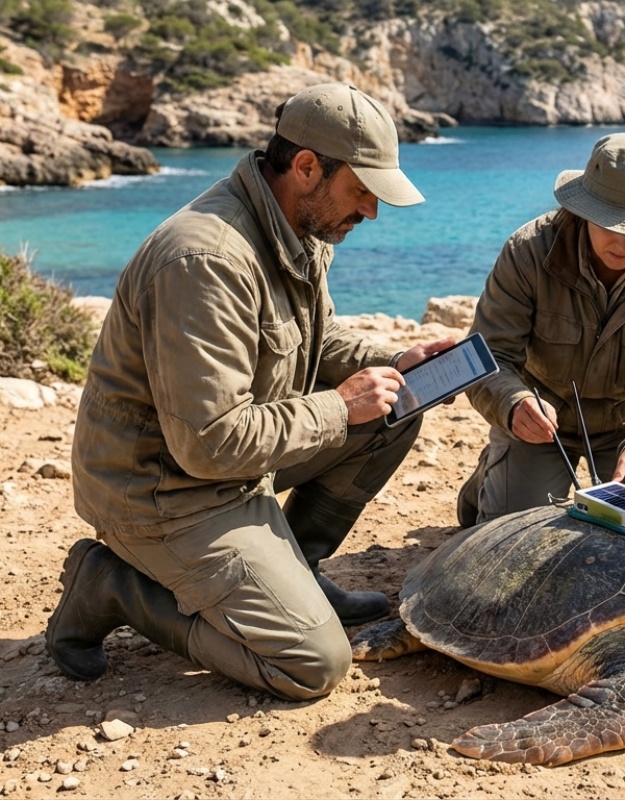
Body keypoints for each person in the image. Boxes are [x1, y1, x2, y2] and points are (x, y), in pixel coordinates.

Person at [46, 83, 457, 701]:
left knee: (397, 408)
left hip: (231, 466)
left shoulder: (302, 226)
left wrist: (395, 361)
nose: (370, 212)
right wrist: (340, 406)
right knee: (312, 665)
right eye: (363, 191)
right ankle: (112, 586)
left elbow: (315, 342)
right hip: (163, 490)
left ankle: (302, 571)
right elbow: (209, 443)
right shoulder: (205, 261)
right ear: (306, 166)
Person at [456, 132, 625, 526]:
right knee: (516, 533)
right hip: (538, 423)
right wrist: (513, 404)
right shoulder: (527, 251)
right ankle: (497, 467)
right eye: (611, 224)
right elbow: (487, 357)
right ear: (584, 210)